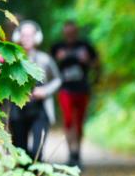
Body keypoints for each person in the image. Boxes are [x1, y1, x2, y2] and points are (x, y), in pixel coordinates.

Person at [8, 20, 61, 163]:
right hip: (18, 111)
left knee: (37, 151)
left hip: (40, 111)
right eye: (24, 35)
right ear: (18, 37)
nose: (26, 39)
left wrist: (45, 91)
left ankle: (37, 174)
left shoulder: (45, 59)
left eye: (30, 35)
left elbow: (57, 79)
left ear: (37, 38)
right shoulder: (12, 59)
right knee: (20, 152)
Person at [51, 21, 100, 168]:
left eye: (72, 33)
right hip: (65, 89)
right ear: (64, 33)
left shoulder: (85, 46)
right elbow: (47, 66)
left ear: (76, 32)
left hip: (82, 89)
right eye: (67, 33)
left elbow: (97, 65)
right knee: (68, 121)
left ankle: (77, 153)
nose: (70, 36)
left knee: (79, 123)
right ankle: (71, 154)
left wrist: (88, 62)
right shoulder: (57, 47)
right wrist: (57, 59)